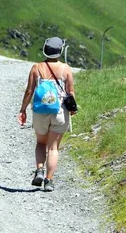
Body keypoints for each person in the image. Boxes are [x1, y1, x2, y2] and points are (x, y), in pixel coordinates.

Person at [17, 36, 76, 192]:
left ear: (45, 49)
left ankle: (39, 170)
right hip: (59, 111)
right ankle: (49, 181)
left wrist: (23, 109)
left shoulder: (36, 68)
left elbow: (29, 91)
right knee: (54, 148)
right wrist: (72, 108)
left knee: (41, 143)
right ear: (60, 51)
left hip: (40, 111)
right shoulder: (66, 68)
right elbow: (71, 92)